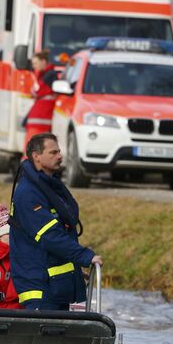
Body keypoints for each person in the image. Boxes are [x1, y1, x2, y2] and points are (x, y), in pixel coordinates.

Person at [9, 133, 103, 310]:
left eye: (59, 152)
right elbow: (50, 236)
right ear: (36, 156)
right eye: (53, 152)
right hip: (39, 289)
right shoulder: (28, 193)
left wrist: (74, 270)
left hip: (56, 284)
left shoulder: (47, 186)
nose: (60, 156)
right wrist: (84, 256)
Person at [23, 51, 58, 148]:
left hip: (40, 120)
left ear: (43, 61)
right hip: (39, 119)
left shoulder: (49, 76)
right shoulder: (44, 75)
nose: (34, 67)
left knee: (32, 149)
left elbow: (37, 91)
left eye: (36, 63)